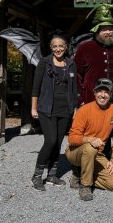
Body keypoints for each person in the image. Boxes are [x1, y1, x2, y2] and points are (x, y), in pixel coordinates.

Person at [73, 4, 113, 179]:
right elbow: (77, 74)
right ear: (96, 30)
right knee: (94, 133)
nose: (108, 32)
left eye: (111, 29)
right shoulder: (84, 48)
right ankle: (87, 168)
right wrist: (81, 98)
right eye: (104, 29)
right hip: (93, 100)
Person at [31, 35, 78, 191]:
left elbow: (74, 88)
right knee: (50, 141)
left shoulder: (71, 64)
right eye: (54, 46)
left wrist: (75, 108)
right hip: (46, 108)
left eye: (61, 46)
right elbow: (35, 87)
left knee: (58, 142)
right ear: (51, 48)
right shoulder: (44, 63)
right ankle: (37, 176)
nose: (58, 49)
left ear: (65, 47)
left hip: (65, 108)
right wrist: (33, 107)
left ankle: (51, 175)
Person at [65, 78, 113, 201]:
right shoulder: (84, 110)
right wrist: (89, 139)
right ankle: (85, 186)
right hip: (75, 152)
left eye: (106, 92)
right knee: (90, 148)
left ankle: (81, 174)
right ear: (94, 92)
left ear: (111, 94)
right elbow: (72, 139)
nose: (103, 95)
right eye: (100, 91)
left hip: (97, 154)